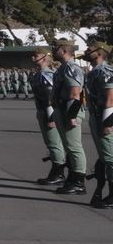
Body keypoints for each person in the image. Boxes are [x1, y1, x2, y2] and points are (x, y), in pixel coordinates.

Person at [51, 39, 88, 196]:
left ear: (64, 50)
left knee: (74, 147)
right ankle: (72, 178)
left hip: (70, 110)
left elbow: (75, 92)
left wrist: (71, 115)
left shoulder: (71, 68)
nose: (53, 50)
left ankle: (79, 181)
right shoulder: (63, 68)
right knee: (69, 147)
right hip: (63, 109)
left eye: (56, 47)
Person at [82, 44, 113, 208]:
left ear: (100, 53)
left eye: (90, 50)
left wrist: (108, 122)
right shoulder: (94, 71)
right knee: (105, 157)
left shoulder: (105, 71)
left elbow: (111, 98)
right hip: (96, 116)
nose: (87, 51)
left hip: (105, 118)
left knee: (110, 157)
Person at [30, 47, 64, 186]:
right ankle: (56, 170)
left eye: (36, 55)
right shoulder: (39, 74)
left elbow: (51, 98)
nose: (33, 58)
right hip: (42, 111)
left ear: (44, 58)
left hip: (48, 112)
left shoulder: (47, 75)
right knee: (51, 143)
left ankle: (59, 173)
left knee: (54, 143)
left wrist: (51, 117)